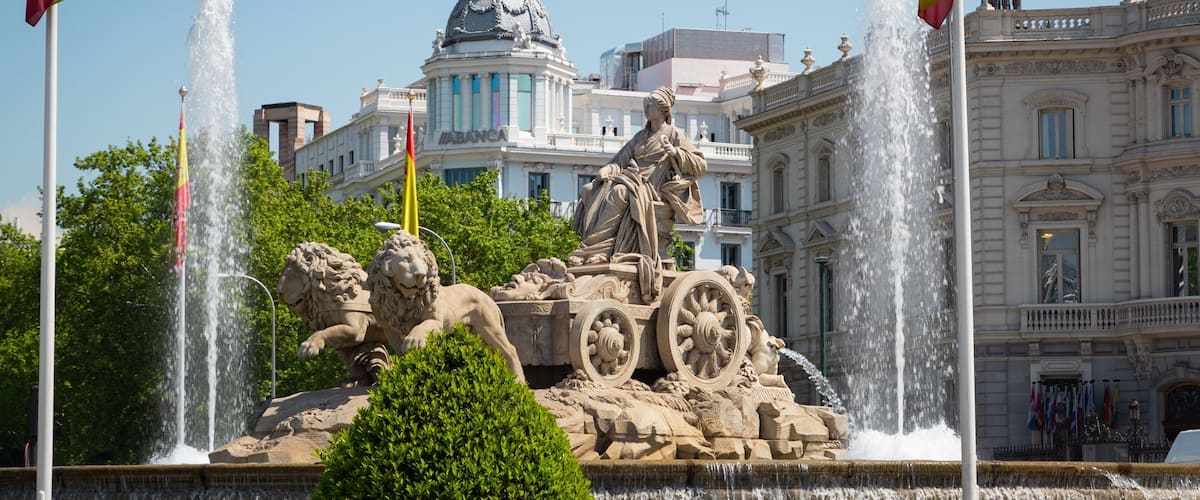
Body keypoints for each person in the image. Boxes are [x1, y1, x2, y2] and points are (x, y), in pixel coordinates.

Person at [569, 87, 706, 301]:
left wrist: (675, 152)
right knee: (590, 190)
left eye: (649, 105)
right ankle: (588, 249)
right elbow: (620, 161)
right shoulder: (640, 136)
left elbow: (700, 164)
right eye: (645, 104)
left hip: (653, 188)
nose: (645, 108)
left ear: (662, 109)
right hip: (633, 178)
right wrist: (607, 170)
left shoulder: (675, 135)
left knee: (620, 192)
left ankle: (599, 250)